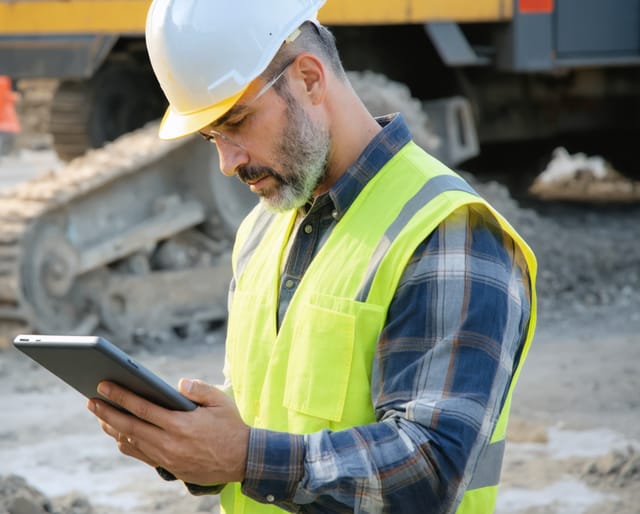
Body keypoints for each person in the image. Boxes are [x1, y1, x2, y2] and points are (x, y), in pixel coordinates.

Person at [86, 1, 537, 512]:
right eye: (211, 135)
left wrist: (243, 457)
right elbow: (273, 419)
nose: (227, 161)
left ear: (308, 79)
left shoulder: (445, 231)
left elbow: (431, 469)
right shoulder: (262, 228)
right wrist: (193, 443)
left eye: (236, 121)